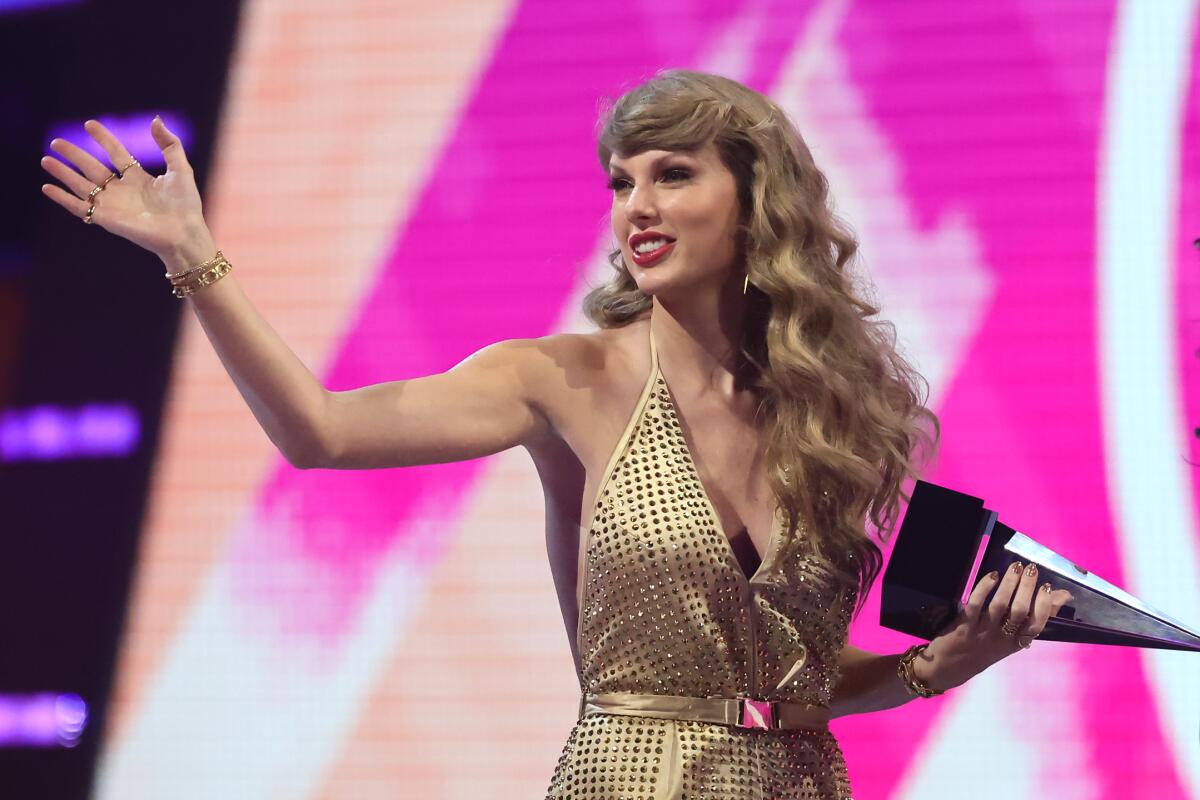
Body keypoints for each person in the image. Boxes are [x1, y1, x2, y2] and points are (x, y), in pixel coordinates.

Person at [40, 70, 1073, 799]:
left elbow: (804, 682)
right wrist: (195, 259)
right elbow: (320, 433)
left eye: (672, 173)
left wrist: (948, 659)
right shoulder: (560, 377)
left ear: (758, 201)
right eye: (622, 181)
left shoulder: (835, 419)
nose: (637, 206)